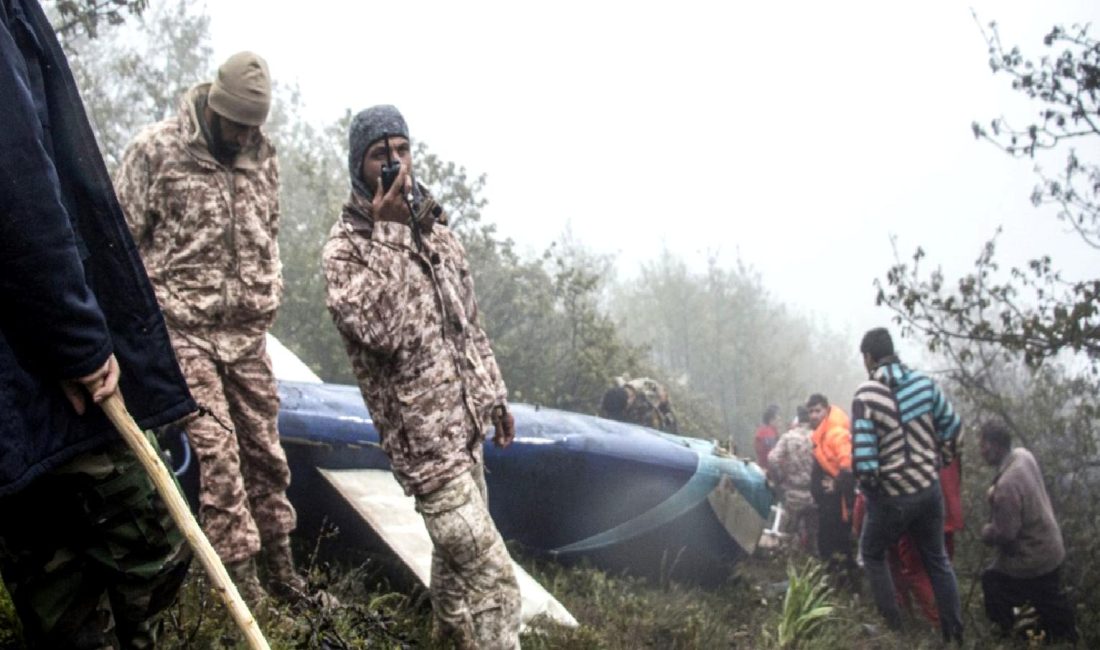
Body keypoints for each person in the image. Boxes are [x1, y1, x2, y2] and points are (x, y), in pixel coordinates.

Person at [0, 0, 196, 645]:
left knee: (56, 572)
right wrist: (79, 340)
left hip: (30, 367)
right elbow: (18, 188)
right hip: (41, 365)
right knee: (144, 544)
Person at [322, 105, 521, 649]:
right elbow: (380, 330)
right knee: (496, 583)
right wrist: (387, 232)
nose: (394, 162)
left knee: (456, 579)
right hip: (424, 446)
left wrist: (494, 398)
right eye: (378, 154)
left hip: (465, 430)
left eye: (401, 149)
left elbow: (467, 326)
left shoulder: (436, 230)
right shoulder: (345, 251)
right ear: (357, 166)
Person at [114, 52, 306, 604]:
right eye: (239, 124)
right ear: (217, 108)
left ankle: (284, 573)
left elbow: (266, 232)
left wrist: (269, 287)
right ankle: (241, 589)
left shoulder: (263, 158)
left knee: (267, 456)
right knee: (219, 455)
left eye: (256, 126)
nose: (247, 136)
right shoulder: (157, 151)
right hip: (183, 331)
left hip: (247, 337)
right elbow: (119, 245)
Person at [850, 327, 963, 643]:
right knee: (936, 559)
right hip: (929, 491)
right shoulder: (925, 385)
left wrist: (875, 496)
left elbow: (864, 462)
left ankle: (894, 631)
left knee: (872, 552)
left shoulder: (867, 395)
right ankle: (954, 634)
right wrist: (937, 461)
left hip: (893, 497)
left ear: (869, 358)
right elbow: (953, 428)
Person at [978, 420, 1077, 643]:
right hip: (1052, 547)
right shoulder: (1023, 456)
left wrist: (986, 531)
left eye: (983, 445)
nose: (981, 451)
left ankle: (1011, 636)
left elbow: (1006, 534)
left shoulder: (1006, 485)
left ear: (996, 446)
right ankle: (1063, 637)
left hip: (1032, 558)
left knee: (992, 581)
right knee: (1049, 601)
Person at [806, 393, 857, 585]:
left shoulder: (835, 433)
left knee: (839, 543)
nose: (813, 415)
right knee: (829, 542)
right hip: (827, 503)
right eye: (810, 411)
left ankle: (847, 585)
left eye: (817, 411)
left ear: (826, 410)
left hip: (837, 502)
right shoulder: (821, 434)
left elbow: (848, 466)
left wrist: (836, 484)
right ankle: (836, 581)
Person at [767, 406, 817, 552]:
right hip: (813, 494)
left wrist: (780, 480)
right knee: (813, 537)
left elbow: (772, 459)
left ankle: (787, 567)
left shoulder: (788, 437)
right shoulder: (818, 436)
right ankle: (813, 569)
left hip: (793, 493)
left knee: (787, 536)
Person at [600, 376, 678, 432]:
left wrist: (663, 407)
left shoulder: (647, 404)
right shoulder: (613, 397)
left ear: (629, 401)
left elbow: (670, 433)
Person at [754, 404, 780, 470]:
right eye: (777, 418)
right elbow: (771, 454)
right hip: (768, 469)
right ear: (771, 420)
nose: (780, 418)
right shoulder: (768, 434)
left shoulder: (763, 430)